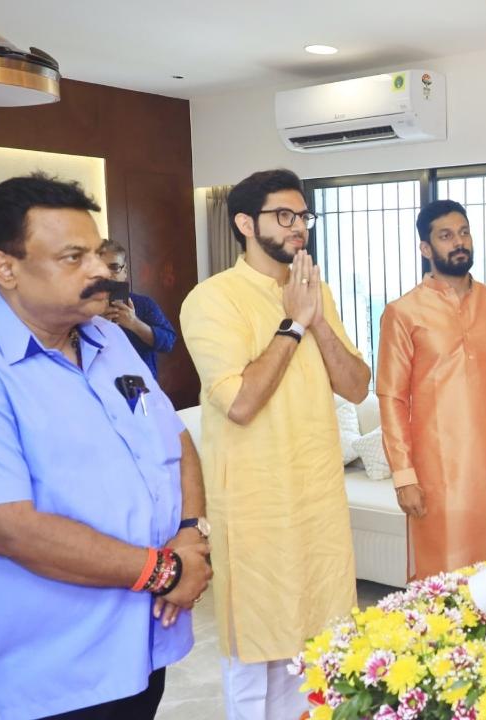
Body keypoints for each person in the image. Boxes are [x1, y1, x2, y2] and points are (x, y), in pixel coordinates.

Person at [0, 174, 211, 720]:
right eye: (73, 257)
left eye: (99, 254)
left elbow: (174, 438)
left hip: (141, 645)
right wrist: (165, 571)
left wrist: (190, 532)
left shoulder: (107, 338)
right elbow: (8, 526)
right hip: (49, 674)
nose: (101, 271)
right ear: (5, 268)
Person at [180, 168, 370, 720]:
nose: (298, 228)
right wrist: (292, 324)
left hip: (317, 497)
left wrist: (315, 317)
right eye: (283, 216)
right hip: (256, 504)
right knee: (257, 652)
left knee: (313, 646)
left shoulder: (315, 290)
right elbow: (239, 404)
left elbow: (356, 387)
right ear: (245, 223)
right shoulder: (212, 299)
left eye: (303, 216)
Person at [378, 199, 486, 579]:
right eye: (446, 236)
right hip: (438, 471)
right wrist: (404, 477)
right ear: (426, 248)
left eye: (464, 232)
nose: (459, 242)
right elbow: (392, 399)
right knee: (446, 575)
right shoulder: (403, 312)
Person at [98, 239, 177, 380]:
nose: (107, 274)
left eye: (114, 267)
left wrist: (135, 324)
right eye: (100, 268)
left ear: (125, 271)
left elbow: (169, 342)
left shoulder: (144, 304)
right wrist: (97, 323)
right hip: (100, 389)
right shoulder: (82, 310)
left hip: (143, 389)